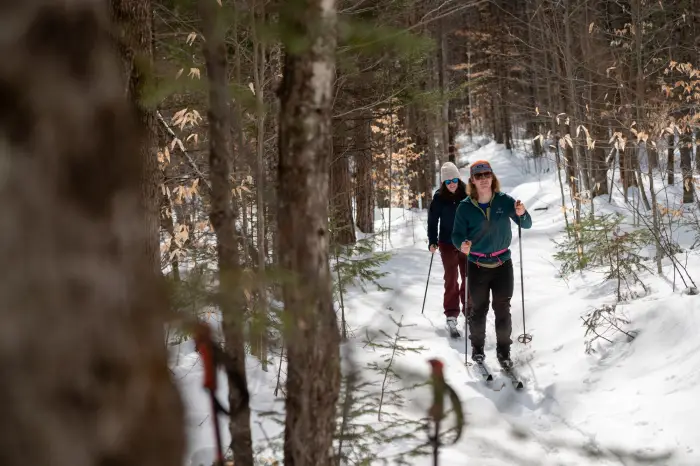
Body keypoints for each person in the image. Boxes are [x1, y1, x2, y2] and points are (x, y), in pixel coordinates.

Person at [451, 160, 532, 368]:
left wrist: (522, 213)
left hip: (502, 264)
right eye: (479, 176)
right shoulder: (465, 207)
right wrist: (462, 245)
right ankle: (477, 349)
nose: (484, 179)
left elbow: (527, 224)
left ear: (492, 177)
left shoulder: (505, 202)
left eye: (487, 175)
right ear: (472, 181)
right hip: (477, 265)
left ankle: (504, 352)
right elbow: (456, 235)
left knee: (502, 309)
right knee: (479, 309)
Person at [428, 161, 472, 337]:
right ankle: (451, 315)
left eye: (454, 179)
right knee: (451, 278)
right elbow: (432, 221)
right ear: (443, 183)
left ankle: (469, 311)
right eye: (448, 181)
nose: (452, 183)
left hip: (466, 243)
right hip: (446, 243)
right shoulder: (439, 198)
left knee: (468, 276)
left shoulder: (468, 194)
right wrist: (432, 241)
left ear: (458, 179)